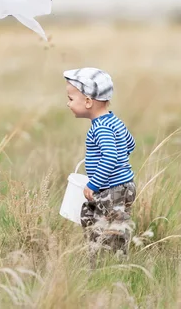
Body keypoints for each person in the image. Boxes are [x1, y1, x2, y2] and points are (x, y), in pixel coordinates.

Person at [63, 67, 136, 259]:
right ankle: (109, 260)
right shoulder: (114, 121)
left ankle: (109, 265)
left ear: (88, 101)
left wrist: (94, 183)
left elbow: (110, 157)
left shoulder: (100, 128)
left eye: (71, 99)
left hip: (111, 189)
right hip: (125, 186)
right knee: (109, 222)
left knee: (108, 230)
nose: (67, 104)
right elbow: (130, 144)